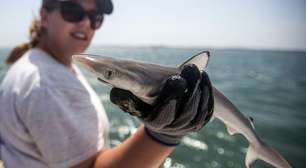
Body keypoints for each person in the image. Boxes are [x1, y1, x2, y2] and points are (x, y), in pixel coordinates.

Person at [0, 0, 214, 167]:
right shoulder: (49, 85)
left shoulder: (38, 63)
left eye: (95, 17)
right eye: (72, 11)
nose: (85, 23)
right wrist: (165, 132)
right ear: (44, 16)